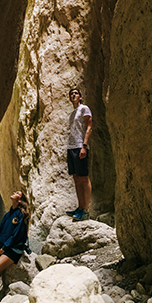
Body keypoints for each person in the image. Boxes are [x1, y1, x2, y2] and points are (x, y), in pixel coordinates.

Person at [65, 88, 92, 221]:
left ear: (80, 97)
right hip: (71, 147)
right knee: (76, 178)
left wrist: (84, 146)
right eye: (71, 94)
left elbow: (89, 127)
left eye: (76, 93)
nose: (73, 95)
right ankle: (80, 207)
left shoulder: (84, 109)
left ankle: (86, 210)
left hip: (80, 146)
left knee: (83, 177)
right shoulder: (72, 114)